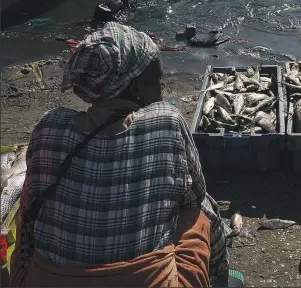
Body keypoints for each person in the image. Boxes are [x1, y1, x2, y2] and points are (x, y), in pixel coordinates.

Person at [9, 21, 239, 287]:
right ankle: (220, 278)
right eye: (157, 80)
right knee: (203, 209)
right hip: (145, 280)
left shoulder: (49, 125)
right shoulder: (166, 120)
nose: (162, 88)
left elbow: (30, 205)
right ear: (137, 88)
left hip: (47, 280)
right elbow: (195, 195)